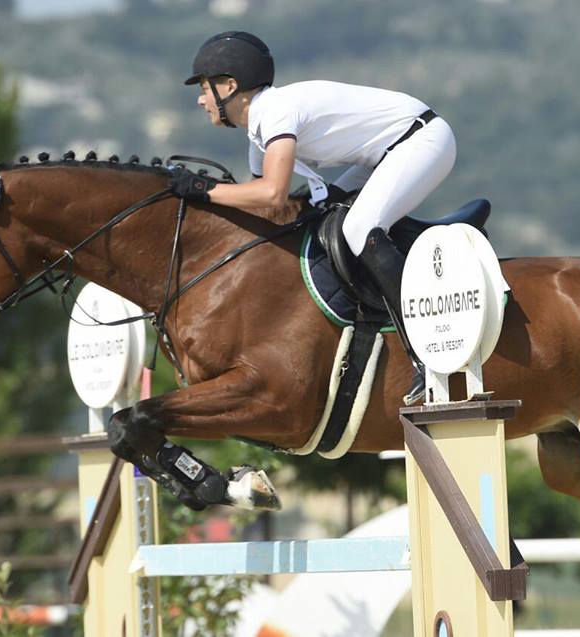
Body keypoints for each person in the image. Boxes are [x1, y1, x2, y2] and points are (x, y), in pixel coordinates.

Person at [173, 30, 456, 404]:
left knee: (359, 228)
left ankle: (430, 351)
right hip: (384, 153)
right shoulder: (259, 131)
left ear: (229, 85)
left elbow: (272, 191)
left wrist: (203, 189)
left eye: (205, 89)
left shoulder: (275, 112)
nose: (200, 99)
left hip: (420, 141)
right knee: (322, 215)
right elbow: (267, 206)